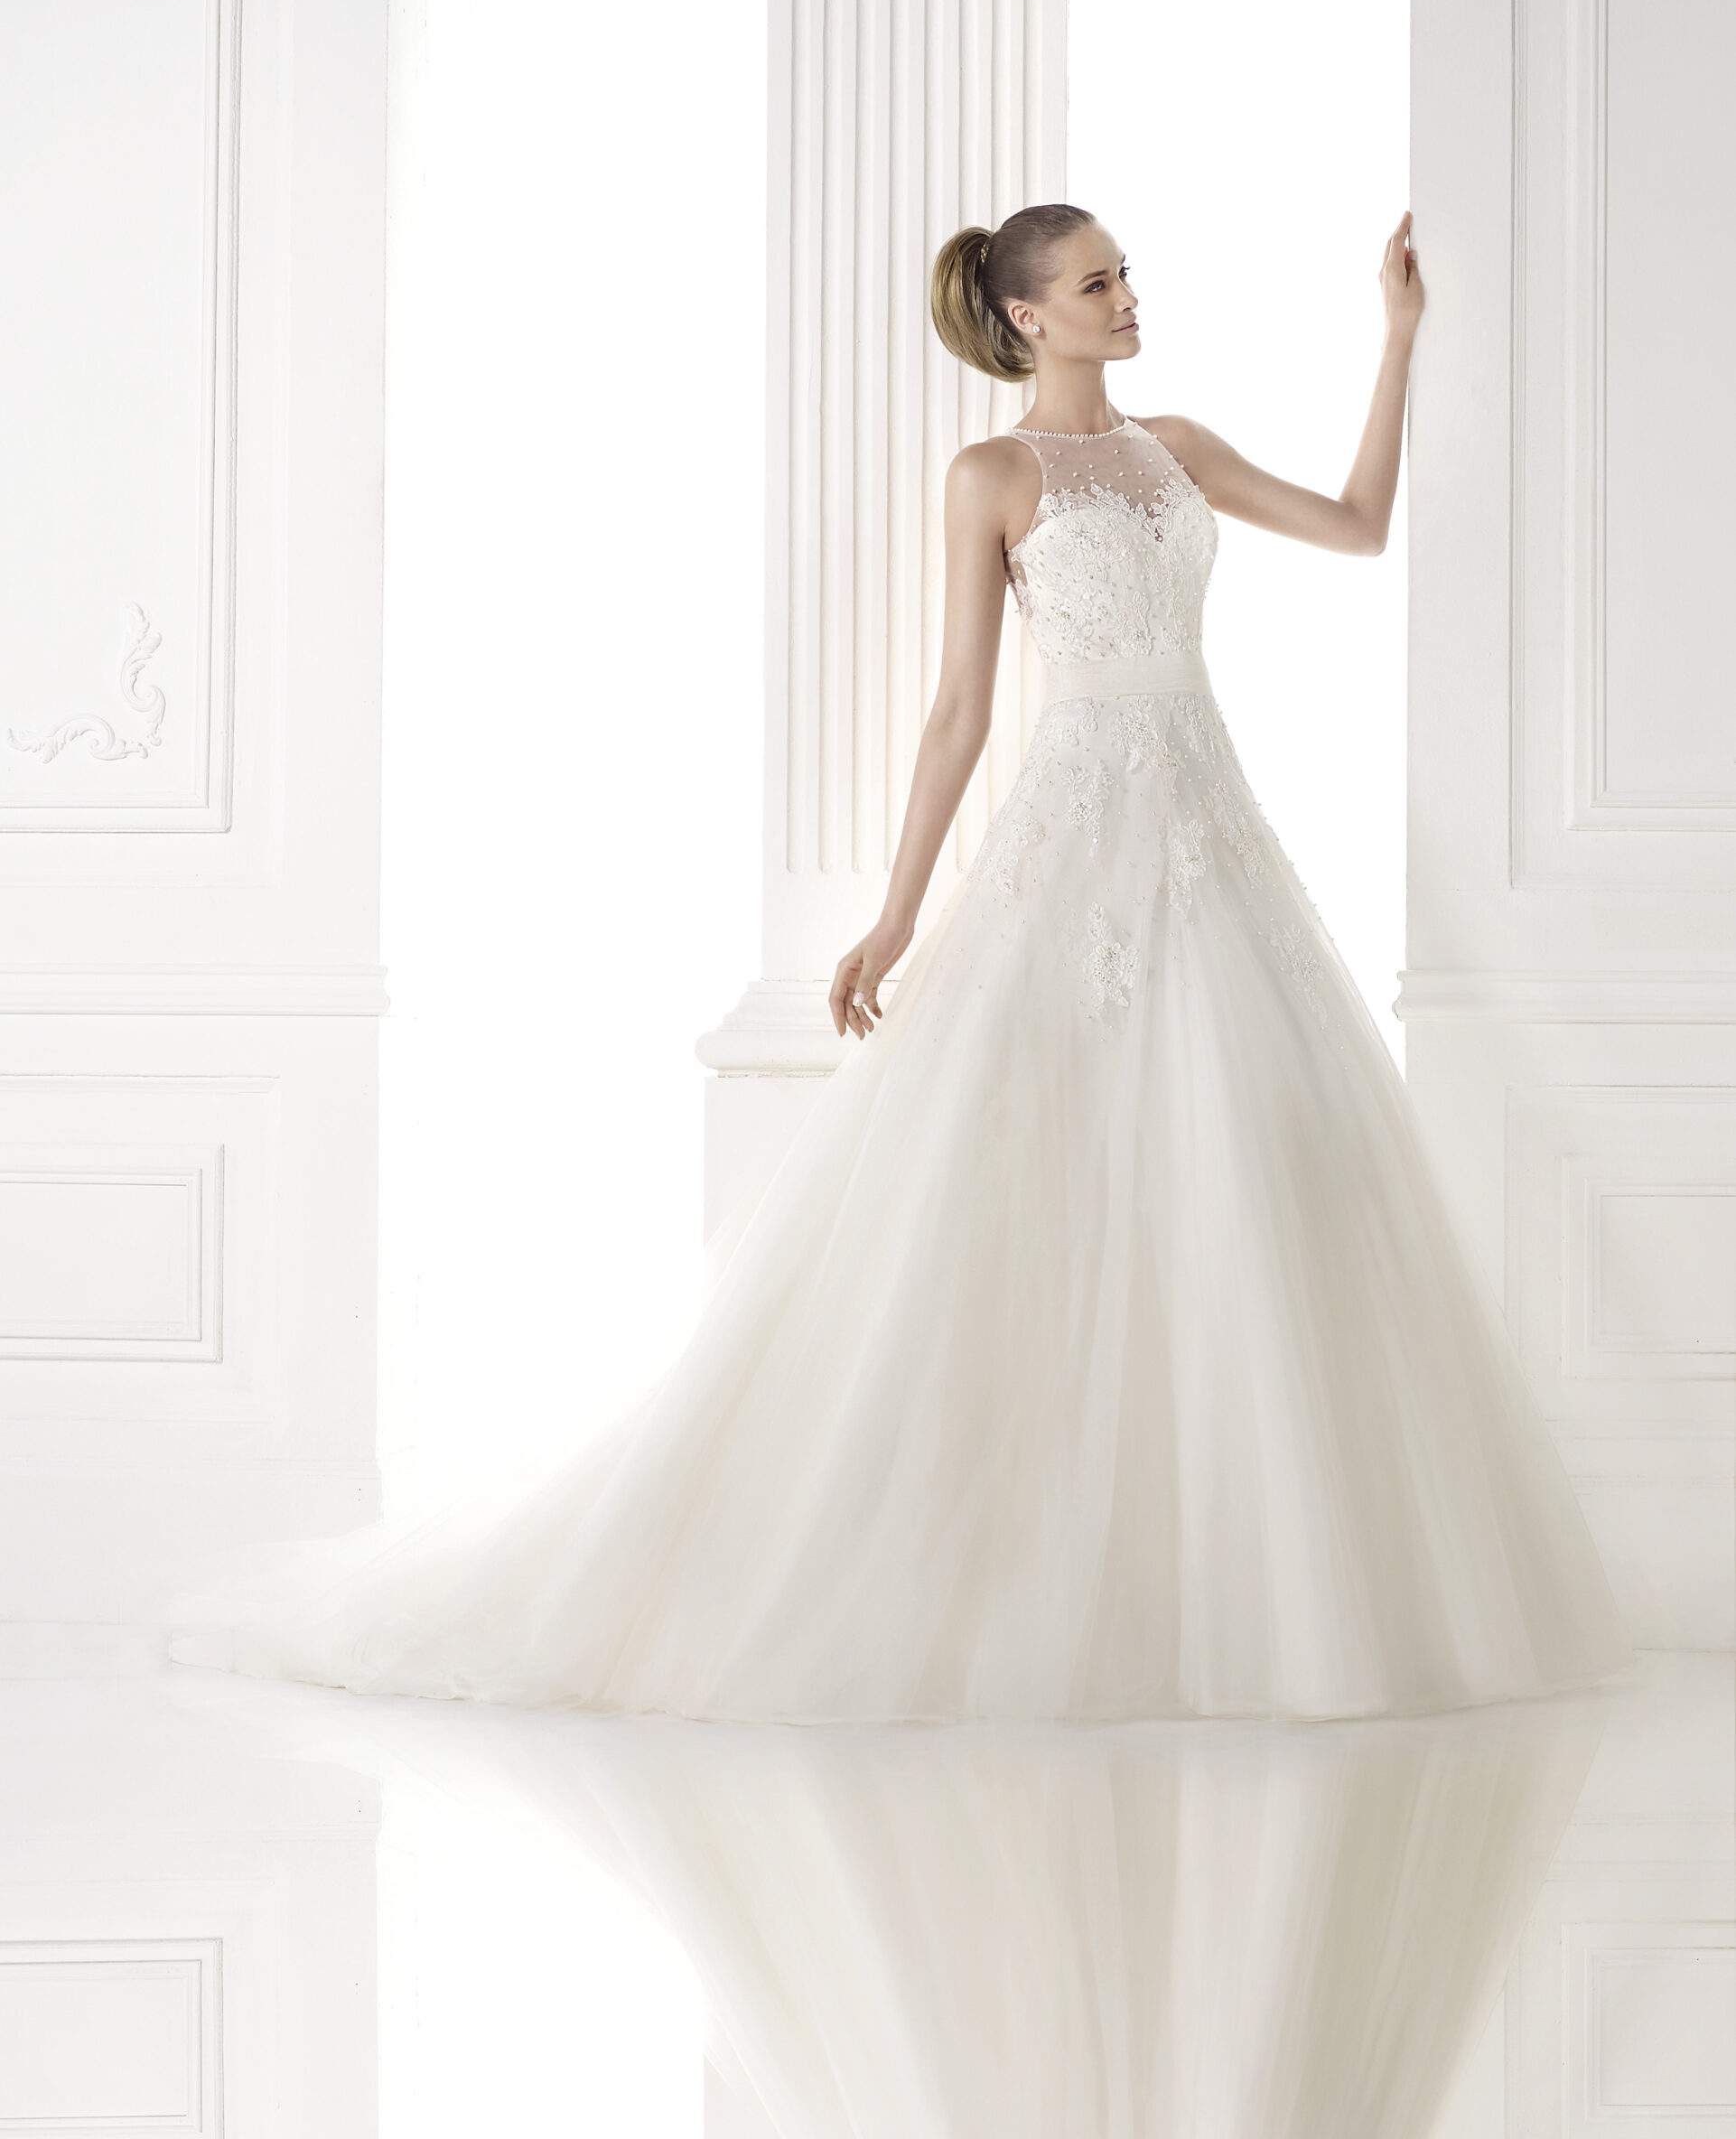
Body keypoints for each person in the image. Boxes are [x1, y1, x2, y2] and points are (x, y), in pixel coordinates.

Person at [166, 203, 1634, 1722]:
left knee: (1238, 1164)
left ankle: (1221, 1591)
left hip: (1208, 830)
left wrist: (1394, 338)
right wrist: (895, 913)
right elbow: (957, 711)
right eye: (1096, 283)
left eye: (1124, 274)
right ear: (1026, 320)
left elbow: (1356, 524)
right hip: (1074, 833)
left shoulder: (1178, 450)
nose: (1128, 297)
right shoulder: (992, 477)